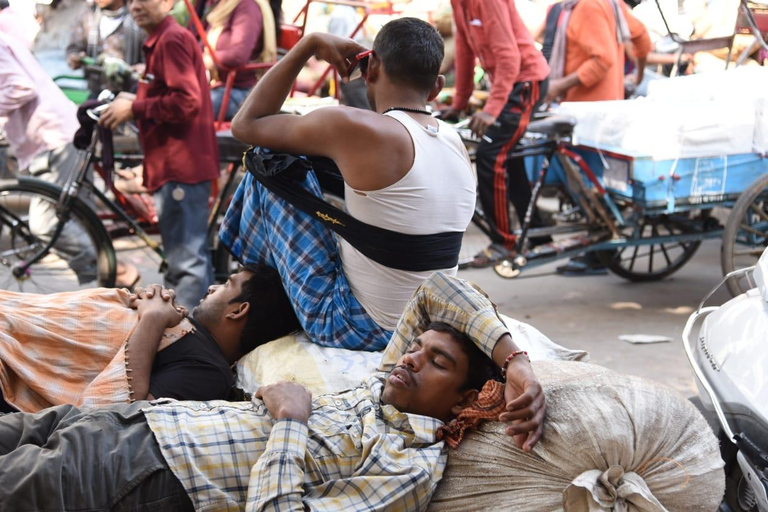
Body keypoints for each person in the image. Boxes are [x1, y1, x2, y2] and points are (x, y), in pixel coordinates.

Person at [0, 271, 546, 510]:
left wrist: (289, 424)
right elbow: (436, 290)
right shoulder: (380, 389)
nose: (411, 358)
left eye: (438, 362)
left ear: (462, 400)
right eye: (417, 346)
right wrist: (515, 360)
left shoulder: (410, 464)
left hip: (152, 475)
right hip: (126, 425)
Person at [223, 18, 477, 351]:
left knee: (268, 159)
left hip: (355, 326)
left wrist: (308, 45)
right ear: (436, 87)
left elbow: (246, 124)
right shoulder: (454, 142)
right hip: (428, 327)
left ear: (370, 69)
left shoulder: (352, 125)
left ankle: (257, 290)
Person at [0, 265, 301, 413]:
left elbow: (117, 417)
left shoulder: (210, 373)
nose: (212, 286)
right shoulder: (186, 327)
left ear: (239, 311)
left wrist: (153, 318)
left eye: (226, 284)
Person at [99, 0, 220, 310]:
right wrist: (134, 99)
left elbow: (186, 101)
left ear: (167, 3)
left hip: (181, 165)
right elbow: (168, 92)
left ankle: (195, 343)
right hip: (172, 163)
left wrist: (134, 108)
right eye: (132, 0)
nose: (136, 5)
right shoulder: (160, 39)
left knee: (188, 264)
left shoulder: (172, 39)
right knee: (181, 261)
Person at [544, 0, 650, 276]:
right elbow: (642, 39)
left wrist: (559, 85)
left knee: (585, 185)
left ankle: (600, 253)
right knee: (592, 185)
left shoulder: (589, 7)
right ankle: (600, 251)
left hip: (587, 117)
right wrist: (637, 74)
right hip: (600, 113)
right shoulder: (607, 4)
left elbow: (602, 60)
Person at [444, 0, 551, 268]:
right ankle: (539, 234)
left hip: (526, 80)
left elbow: (509, 57)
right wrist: (459, 103)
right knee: (509, 159)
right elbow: (465, 52)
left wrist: (492, 109)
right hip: (508, 81)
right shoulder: (458, 3)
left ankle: (503, 243)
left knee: (490, 155)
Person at [202, 0, 278, 120]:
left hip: (238, 91)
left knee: (187, 106)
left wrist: (207, 60)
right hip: (215, 84)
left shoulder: (248, 7)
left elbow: (238, 56)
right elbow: (201, 43)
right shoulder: (222, 5)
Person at [66, 0, 145, 97]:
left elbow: (149, 64)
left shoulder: (139, 18)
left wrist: (131, 69)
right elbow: (73, 49)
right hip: (95, 92)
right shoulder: (88, 15)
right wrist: (75, 58)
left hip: (129, 95)